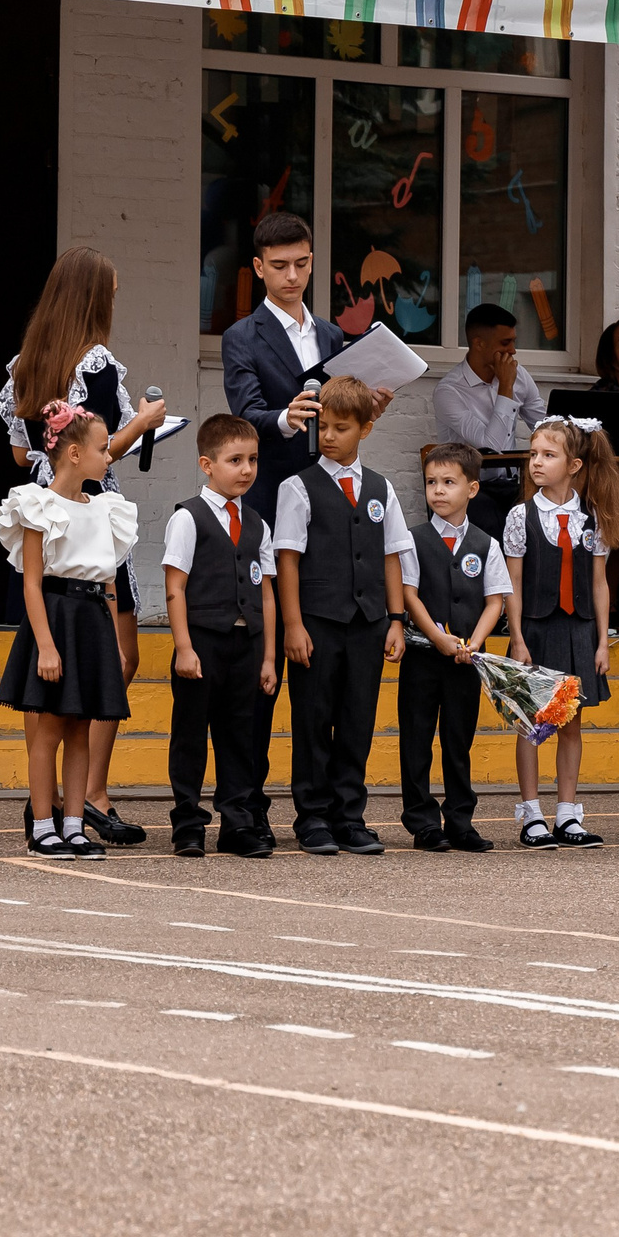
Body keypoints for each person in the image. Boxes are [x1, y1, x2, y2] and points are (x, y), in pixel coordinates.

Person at [219, 212, 393, 835]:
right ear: (259, 268)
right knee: (264, 666)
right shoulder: (242, 335)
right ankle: (249, 810)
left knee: (337, 680)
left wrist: (369, 403)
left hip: (336, 514)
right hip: (272, 503)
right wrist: (284, 419)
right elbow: (245, 410)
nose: (293, 276)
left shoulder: (332, 333)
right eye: (280, 266)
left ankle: (333, 810)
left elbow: (345, 409)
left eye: (303, 263)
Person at [0, 246, 169, 851]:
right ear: (95, 298)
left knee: (47, 670)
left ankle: (41, 803)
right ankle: (91, 798)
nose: (115, 304)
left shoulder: (29, 361)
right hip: (93, 512)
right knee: (116, 658)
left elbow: (25, 453)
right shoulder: (95, 360)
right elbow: (103, 448)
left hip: (45, 510)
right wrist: (145, 422)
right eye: (113, 295)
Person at [273, 375, 410, 857]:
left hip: (368, 622)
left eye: (341, 428)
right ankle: (312, 816)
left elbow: (392, 555)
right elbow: (287, 559)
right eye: (323, 427)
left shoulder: (380, 488)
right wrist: (293, 624)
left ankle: (349, 815)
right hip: (316, 622)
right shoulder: (298, 486)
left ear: (365, 430)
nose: (329, 436)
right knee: (313, 719)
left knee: (357, 720)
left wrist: (396, 619)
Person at [0, 403, 137, 859]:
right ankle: (42, 827)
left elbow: (111, 587)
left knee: (81, 730)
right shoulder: (39, 506)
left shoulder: (108, 509)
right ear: (74, 453)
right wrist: (46, 647)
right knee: (49, 731)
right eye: (102, 448)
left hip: (92, 622)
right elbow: (32, 585)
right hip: (56, 620)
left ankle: (74, 826)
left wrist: (115, 643)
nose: (109, 455)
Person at [504, 415, 619, 848]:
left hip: (578, 632)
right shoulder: (521, 515)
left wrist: (601, 641)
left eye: (548, 455)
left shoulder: (590, 517)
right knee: (532, 726)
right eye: (534, 454)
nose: (537, 462)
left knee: (571, 726)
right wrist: (516, 637)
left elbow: (599, 583)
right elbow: (512, 583)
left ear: (573, 465)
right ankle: (531, 815)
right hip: (536, 632)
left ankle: (568, 815)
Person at [161, 414, 278, 860]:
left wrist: (268, 657)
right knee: (191, 736)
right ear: (207, 464)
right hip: (203, 644)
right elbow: (175, 588)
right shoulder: (189, 518)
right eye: (235, 460)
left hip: (246, 646)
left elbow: (266, 594)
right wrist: (184, 647)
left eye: (252, 460)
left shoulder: (257, 525)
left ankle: (237, 824)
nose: (246, 469)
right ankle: (188, 824)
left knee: (240, 739)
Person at [398, 442, 510, 852]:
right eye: (431, 483)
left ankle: (460, 820)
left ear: (473, 489)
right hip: (423, 657)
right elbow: (410, 596)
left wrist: (473, 643)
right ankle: (423, 823)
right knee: (416, 739)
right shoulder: (413, 539)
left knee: (458, 740)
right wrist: (437, 638)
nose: (439, 491)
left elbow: (494, 600)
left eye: (449, 482)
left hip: (466, 661)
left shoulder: (486, 544)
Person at [431, 304, 547, 538]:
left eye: (514, 341)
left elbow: (545, 426)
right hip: (468, 487)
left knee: (546, 517)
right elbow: (493, 447)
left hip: (514, 484)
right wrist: (505, 387)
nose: (513, 351)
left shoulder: (519, 375)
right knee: (493, 522)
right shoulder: (449, 391)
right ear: (479, 343)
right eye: (505, 343)